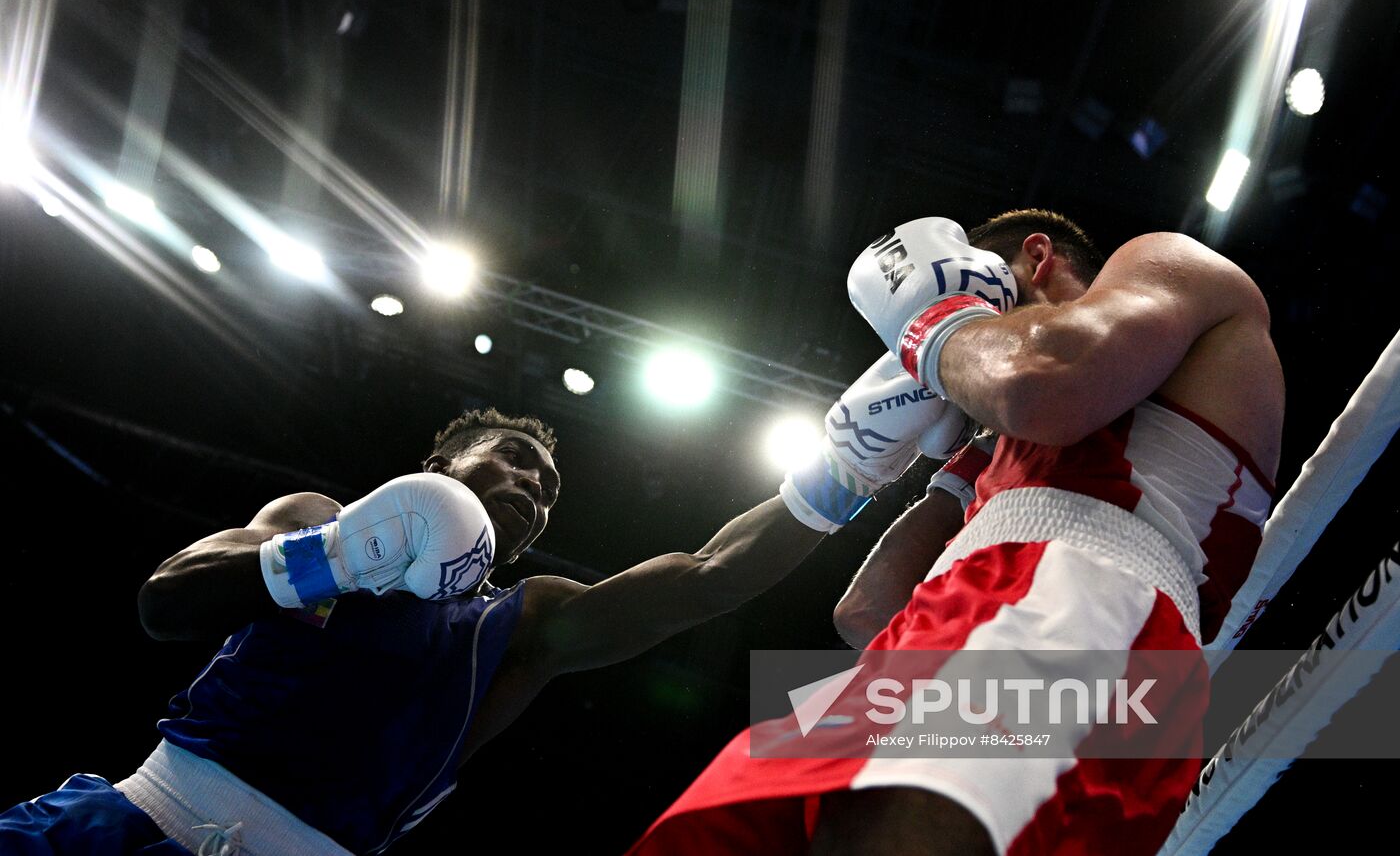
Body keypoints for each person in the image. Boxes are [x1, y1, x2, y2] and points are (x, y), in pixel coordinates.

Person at [0, 343, 975, 856]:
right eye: (512, 458)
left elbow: (705, 579)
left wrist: (849, 466)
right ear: (440, 464)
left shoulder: (523, 625)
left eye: (547, 486)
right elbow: (166, 603)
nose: (531, 484)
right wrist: (333, 556)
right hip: (122, 823)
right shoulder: (315, 518)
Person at [629, 209, 1284, 855]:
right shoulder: (1010, 443)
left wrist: (932, 326)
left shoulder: (1167, 266)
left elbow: (1037, 384)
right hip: (965, 619)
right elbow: (865, 612)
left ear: (1035, 257)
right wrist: (914, 469)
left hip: (1080, 602)